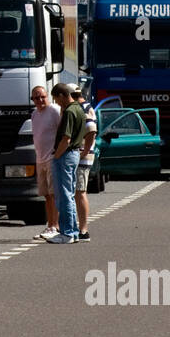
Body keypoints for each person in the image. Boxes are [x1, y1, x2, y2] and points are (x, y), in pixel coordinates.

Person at [46, 83, 86, 244]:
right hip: (74, 154)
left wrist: (56, 155)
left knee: (63, 196)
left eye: (56, 99)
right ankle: (73, 232)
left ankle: (67, 233)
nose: (56, 103)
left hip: (66, 155)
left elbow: (66, 138)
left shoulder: (69, 111)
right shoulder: (79, 109)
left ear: (62, 95)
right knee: (68, 193)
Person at [28, 85, 61, 240]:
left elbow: (63, 131)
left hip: (53, 158)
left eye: (42, 96)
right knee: (46, 195)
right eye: (36, 97)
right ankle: (50, 225)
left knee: (54, 194)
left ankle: (56, 226)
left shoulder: (54, 110)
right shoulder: (34, 114)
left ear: (48, 96)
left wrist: (59, 153)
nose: (40, 100)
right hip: (40, 158)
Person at [71, 87, 98, 242]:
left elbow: (91, 131)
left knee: (80, 192)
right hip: (79, 155)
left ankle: (83, 229)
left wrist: (84, 151)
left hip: (82, 157)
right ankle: (77, 227)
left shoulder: (85, 108)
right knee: (76, 192)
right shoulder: (81, 107)